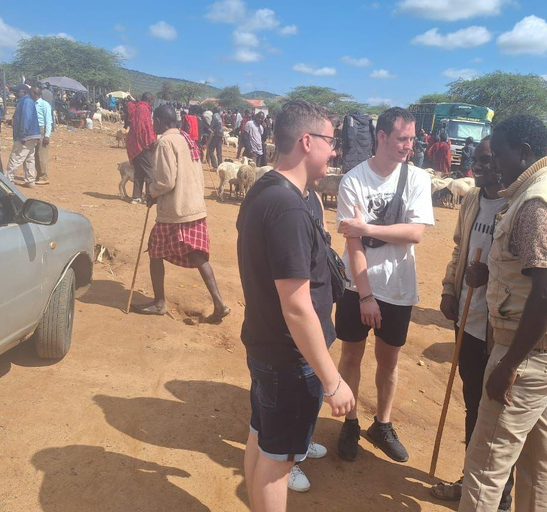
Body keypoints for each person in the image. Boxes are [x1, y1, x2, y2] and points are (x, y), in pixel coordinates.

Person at [458, 114, 547, 512]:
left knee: (486, 465)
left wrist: (509, 364)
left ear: (523, 152)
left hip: (529, 353)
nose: (492, 163)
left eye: (498, 153)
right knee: (538, 458)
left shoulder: (537, 202)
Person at [236, 99, 354, 512]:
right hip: (290, 357)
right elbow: (298, 306)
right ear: (307, 141)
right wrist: (332, 380)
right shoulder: (286, 207)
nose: (334, 150)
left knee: (261, 437)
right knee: (278, 459)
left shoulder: (270, 189)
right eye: (330, 141)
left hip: (269, 346)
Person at [334, 107, 434, 463]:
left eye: (411, 138)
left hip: (399, 288)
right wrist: (365, 296)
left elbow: (416, 232)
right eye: (401, 139)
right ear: (381, 137)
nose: (409, 145)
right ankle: (349, 422)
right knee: (351, 355)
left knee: (389, 362)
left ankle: (383, 423)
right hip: (356, 287)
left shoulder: (418, 179)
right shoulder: (354, 181)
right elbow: (352, 244)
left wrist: (369, 228)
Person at [430, 137, 515, 508]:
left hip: (501, 328)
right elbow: (457, 247)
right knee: (473, 403)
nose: (475, 167)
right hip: (467, 319)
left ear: (501, 162)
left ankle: (500, 495)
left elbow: (527, 275)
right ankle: (472, 480)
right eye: (474, 160)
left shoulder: (517, 206)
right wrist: (451, 288)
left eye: (483, 161)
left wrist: (490, 275)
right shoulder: (470, 200)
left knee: (497, 414)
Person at [130, 104, 229, 323]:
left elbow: (166, 181)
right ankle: (219, 302)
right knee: (196, 254)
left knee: (155, 251)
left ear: (157, 122)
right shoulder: (187, 138)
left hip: (176, 209)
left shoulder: (165, 142)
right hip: (194, 206)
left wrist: (151, 194)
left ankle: (159, 303)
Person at [5, 85, 41, 187]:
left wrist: (23, 135)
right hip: (33, 134)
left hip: (27, 135)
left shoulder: (26, 101)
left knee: (16, 157)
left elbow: (26, 118)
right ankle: (30, 180)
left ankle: (7, 179)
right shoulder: (29, 101)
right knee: (29, 158)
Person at [125, 93, 156, 204]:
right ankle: (149, 196)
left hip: (134, 144)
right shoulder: (144, 109)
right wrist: (153, 142)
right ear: (150, 100)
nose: (153, 104)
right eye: (153, 101)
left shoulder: (137, 108)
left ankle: (136, 197)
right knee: (150, 172)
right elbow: (146, 128)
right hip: (142, 145)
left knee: (139, 172)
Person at [31, 86, 53, 186]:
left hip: (42, 129)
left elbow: (48, 120)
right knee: (36, 154)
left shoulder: (44, 104)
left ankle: (43, 176)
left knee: (41, 154)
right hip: (35, 129)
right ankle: (39, 175)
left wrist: (47, 135)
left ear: (35, 94)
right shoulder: (33, 104)